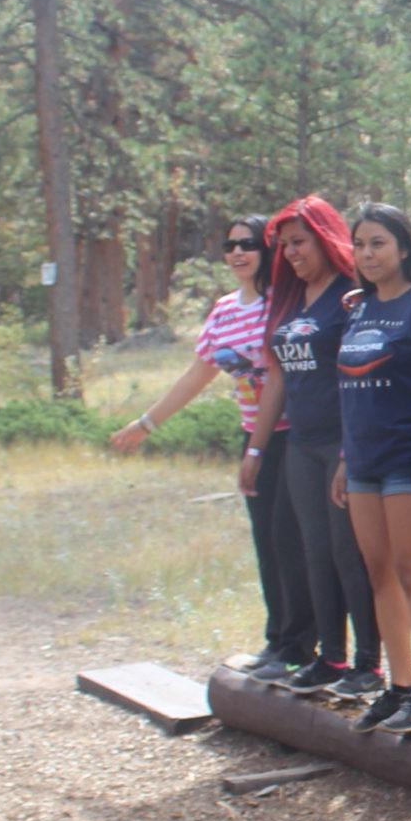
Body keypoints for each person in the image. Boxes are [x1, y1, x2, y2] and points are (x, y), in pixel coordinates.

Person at [112, 214, 309, 680]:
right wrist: (146, 423)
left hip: (293, 435)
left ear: (269, 249)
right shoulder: (224, 310)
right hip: (253, 436)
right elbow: (198, 374)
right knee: (266, 541)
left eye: (249, 244)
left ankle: (302, 645)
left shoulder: (287, 301)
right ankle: (278, 639)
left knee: (290, 539)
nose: (238, 252)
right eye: (230, 244)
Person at [242, 195, 381, 702]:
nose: (293, 253)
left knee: (350, 551)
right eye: (285, 246)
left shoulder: (351, 295)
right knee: (313, 550)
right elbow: (275, 378)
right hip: (300, 442)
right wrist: (255, 451)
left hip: (343, 441)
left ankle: (369, 662)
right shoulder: (289, 298)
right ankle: (330, 656)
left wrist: (349, 451)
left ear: (325, 237)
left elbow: (360, 375)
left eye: (301, 242)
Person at [333, 203, 411, 739]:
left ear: (404, 248)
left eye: (378, 243)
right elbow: (347, 390)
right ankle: (399, 685)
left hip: (410, 457)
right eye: (360, 244)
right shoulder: (357, 308)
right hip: (362, 461)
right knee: (377, 572)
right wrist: (343, 459)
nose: (367, 254)